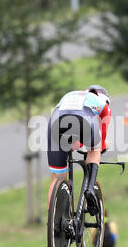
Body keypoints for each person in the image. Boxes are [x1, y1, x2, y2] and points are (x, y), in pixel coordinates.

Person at [47, 85, 112, 215]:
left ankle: (53, 223)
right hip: (84, 120)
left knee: (56, 178)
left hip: (56, 121)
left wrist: (76, 142)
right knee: (95, 149)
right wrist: (102, 147)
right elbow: (102, 138)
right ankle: (90, 189)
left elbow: (69, 117)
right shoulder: (104, 105)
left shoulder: (71, 94)